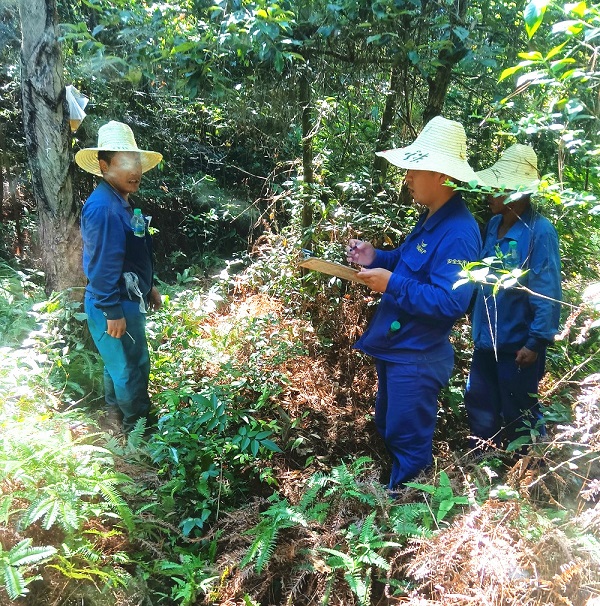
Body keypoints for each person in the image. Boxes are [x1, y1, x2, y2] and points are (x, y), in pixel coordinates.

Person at [346, 116, 482, 490]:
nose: (407, 176)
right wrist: (375, 257)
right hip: (399, 349)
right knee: (389, 425)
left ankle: (407, 509)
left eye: (414, 169)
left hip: (418, 356)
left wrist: (391, 284)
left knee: (408, 440)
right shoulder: (431, 218)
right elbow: (408, 264)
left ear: (440, 175)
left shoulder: (460, 232)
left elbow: (450, 302)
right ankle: (393, 498)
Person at [464, 144, 562, 451]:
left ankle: (532, 468)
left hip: (517, 347)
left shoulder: (540, 232)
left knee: (520, 413)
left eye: (497, 188)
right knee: (480, 404)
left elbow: (547, 290)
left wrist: (535, 342)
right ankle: (484, 465)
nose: (489, 194)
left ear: (517, 192)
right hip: (486, 340)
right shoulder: (494, 224)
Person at [76, 120, 163, 433]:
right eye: (125, 163)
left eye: (136, 162)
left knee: (122, 364)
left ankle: (115, 420)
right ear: (104, 166)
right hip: (113, 304)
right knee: (128, 368)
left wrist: (149, 286)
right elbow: (102, 266)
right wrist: (112, 311)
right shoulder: (104, 209)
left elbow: (132, 254)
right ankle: (139, 430)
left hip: (125, 299)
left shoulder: (121, 201)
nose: (135, 170)